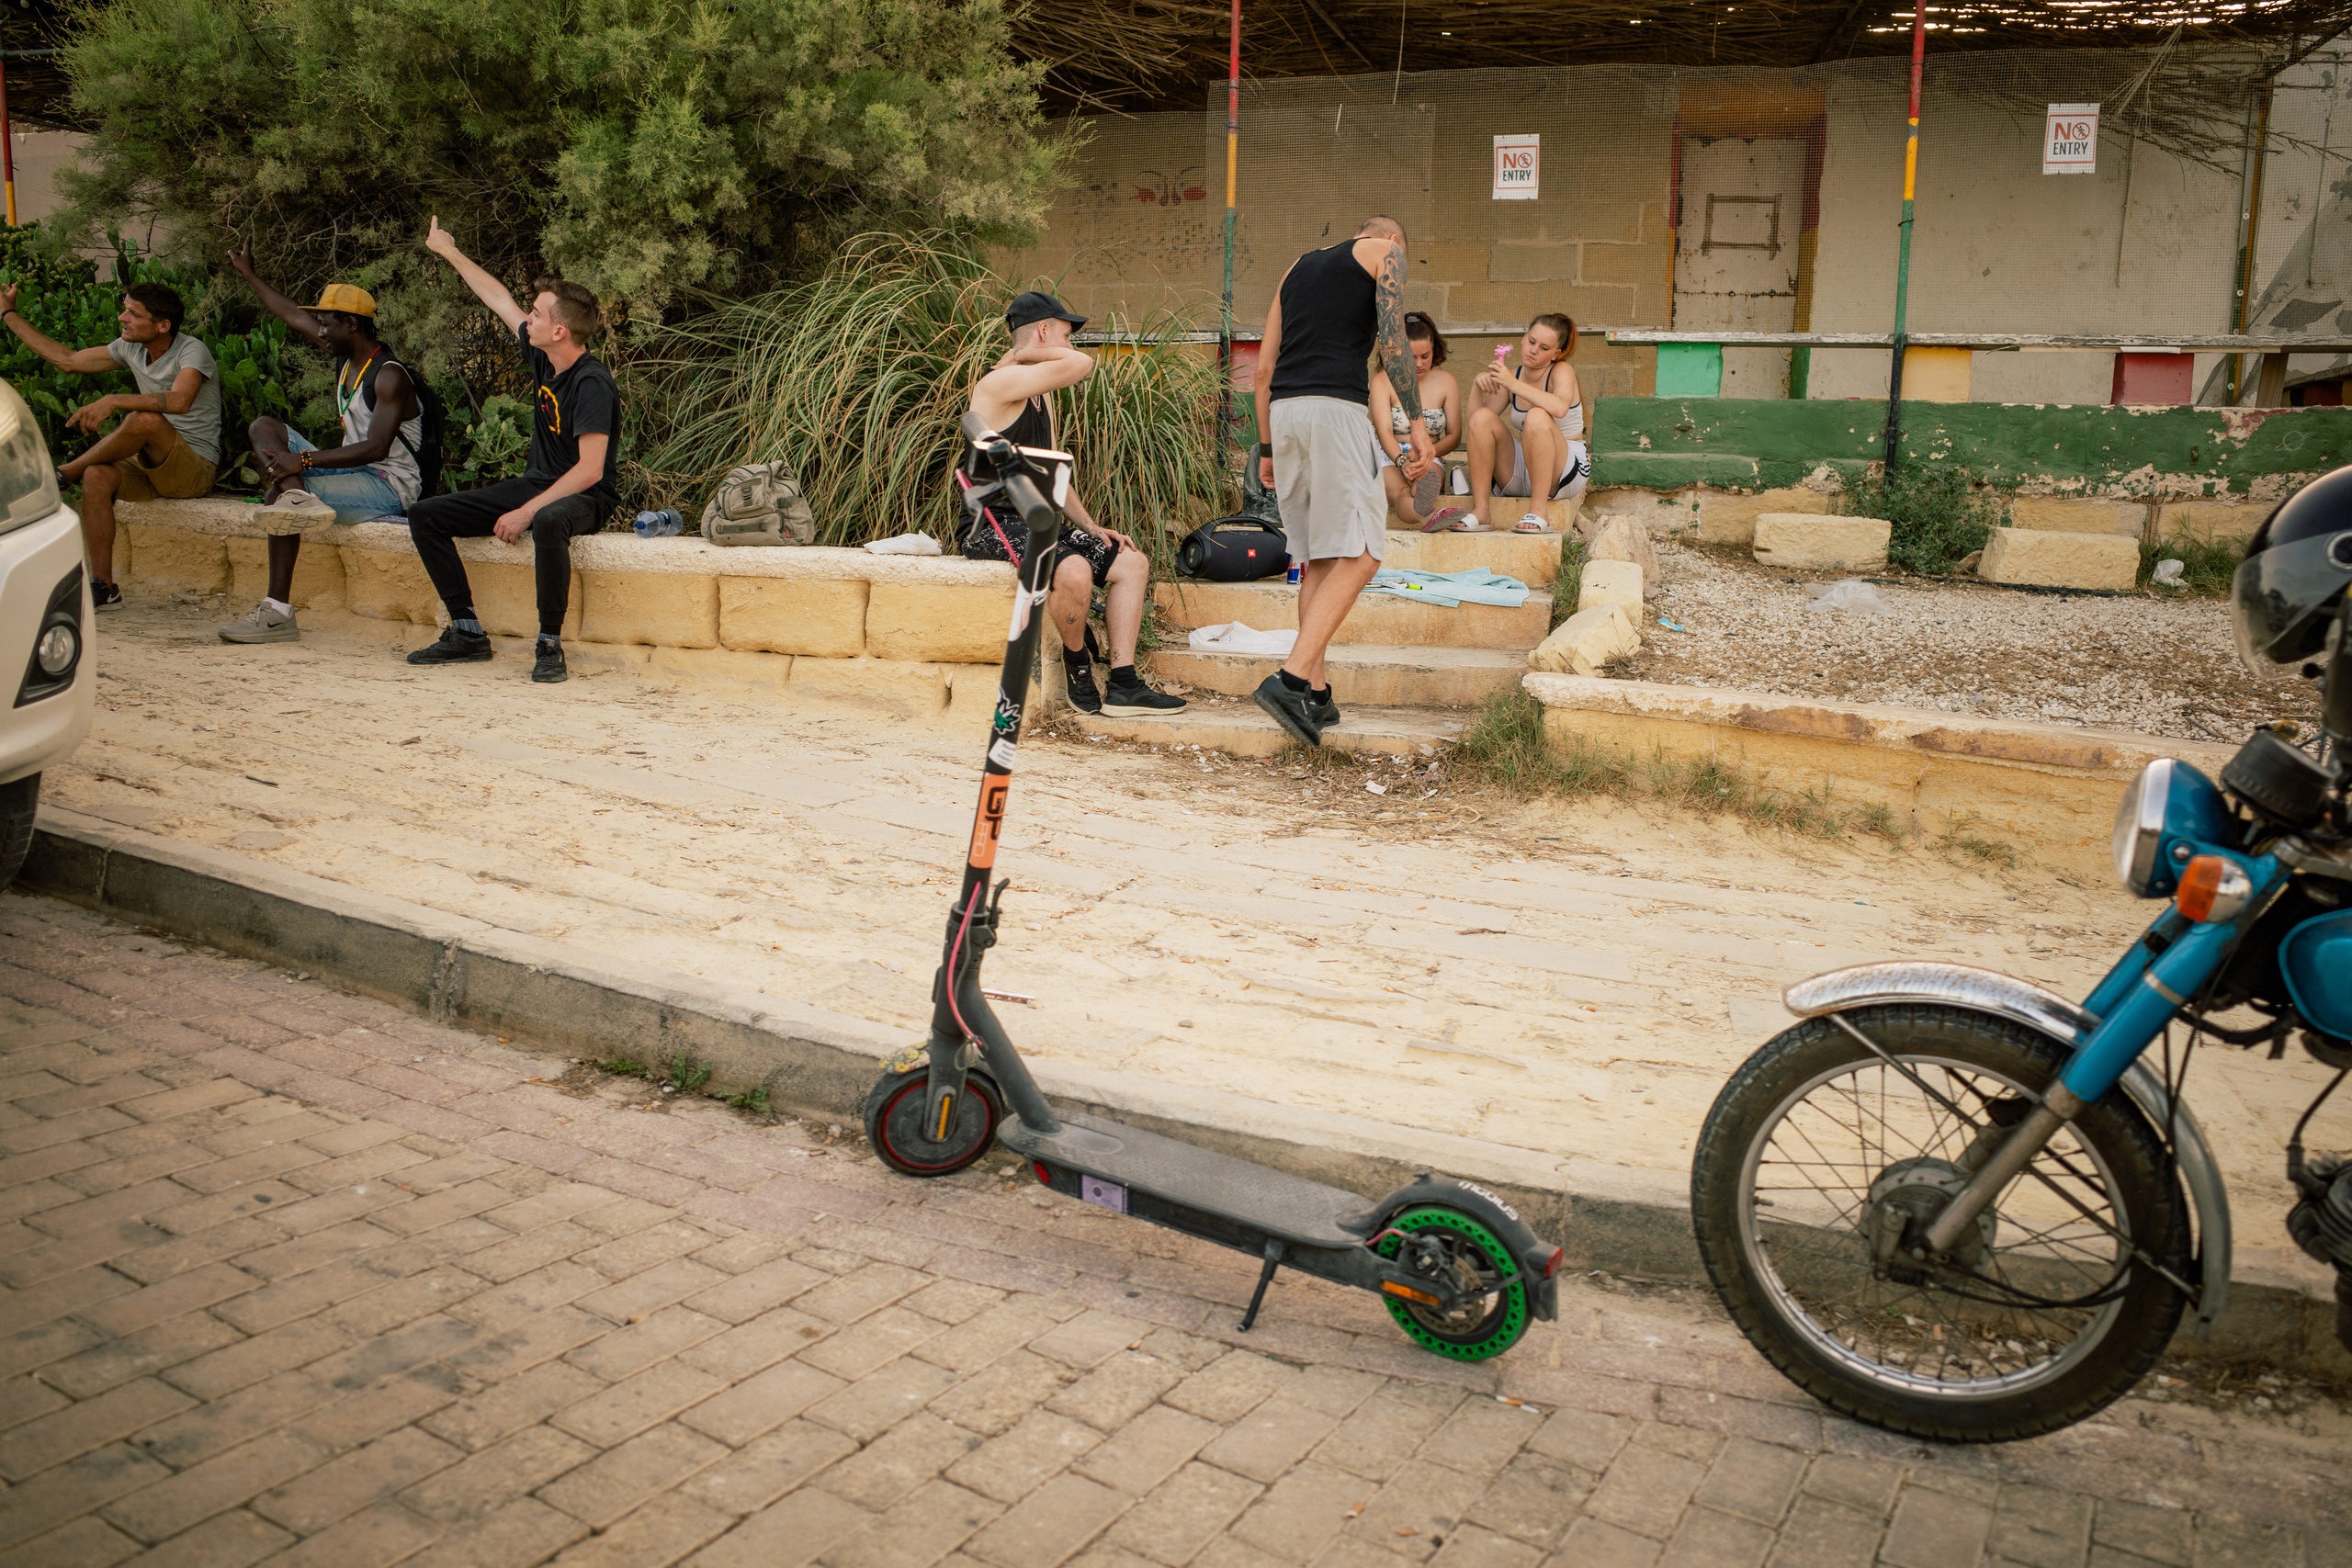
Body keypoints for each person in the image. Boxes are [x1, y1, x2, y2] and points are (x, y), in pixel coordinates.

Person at [403, 217, 619, 684]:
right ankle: (466, 631)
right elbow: (497, 297)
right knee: (426, 516)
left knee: (547, 519)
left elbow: (590, 470)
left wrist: (524, 512)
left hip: (587, 496)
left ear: (560, 331)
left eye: (538, 314)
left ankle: (549, 643)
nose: (529, 318)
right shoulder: (543, 355)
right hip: (537, 484)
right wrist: (449, 251)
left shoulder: (592, 383)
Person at [962, 290, 1185, 718]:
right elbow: (1081, 364)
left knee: (1131, 564)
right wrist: (1025, 356)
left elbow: (1052, 472)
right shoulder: (999, 383)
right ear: (1043, 330)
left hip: (1039, 518)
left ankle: (1124, 683)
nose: (1072, 345)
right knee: (1076, 569)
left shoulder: (1039, 393)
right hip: (991, 523)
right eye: (1066, 334)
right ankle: (1078, 661)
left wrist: (1091, 526)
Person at [1251, 215, 1430, 747]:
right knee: (1365, 553)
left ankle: (1316, 695)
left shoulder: (1295, 269)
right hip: (1336, 411)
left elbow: (1262, 369)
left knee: (1321, 559)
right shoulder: (1386, 254)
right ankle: (1287, 682)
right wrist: (1417, 424)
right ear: (1389, 240)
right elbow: (1394, 341)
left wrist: (1265, 447)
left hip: (1285, 414)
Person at [215, 245, 425, 645]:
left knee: (274, 497)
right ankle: (297, 497)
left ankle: (277, 613)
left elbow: (377, 448)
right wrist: (247, 273)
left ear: (352, 324)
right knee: (263, 425)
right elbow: (293, 315)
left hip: (388, 482)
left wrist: (305, 459)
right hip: (351, 469)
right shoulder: (346, 356)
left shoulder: (388, 376)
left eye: (327, 325)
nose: (320, 332)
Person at [0, 279, 221, 608]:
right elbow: (68, 360)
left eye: (133, 313)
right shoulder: (130, 347)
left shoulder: (191, 350)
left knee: (143, 420)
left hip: (193, 469)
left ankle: (62, 475)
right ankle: (103, 586)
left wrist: (114, 400)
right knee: (97, 477)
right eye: (124, 308)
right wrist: (7, 313)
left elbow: (180, 401)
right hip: (149, 465)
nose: (122, 318)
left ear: (163, 326)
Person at [1460, 312, 1590, 534]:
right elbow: (1476, 425)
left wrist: (1512, 384)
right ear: (1523, 338)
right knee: (1483, 419)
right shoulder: (1513, 376)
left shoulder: (1562, 370)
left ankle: (1540, 511)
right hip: (1527, 468)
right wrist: (1476, 386)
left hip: (1564, 470)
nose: (1534, 350)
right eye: (1531, 342)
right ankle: (1481, 510)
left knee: (1537, 416)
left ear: (1555, 354)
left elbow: (1559, 408)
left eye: (1544, 348)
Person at [1368, 311, 1463, 530]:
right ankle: (1427, 517)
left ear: (1434, 350)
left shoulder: (1447, 381)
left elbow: (1455, 436)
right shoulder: (1382, 381)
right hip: (1388, 455)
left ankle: (1425, 493)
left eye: (1425, 356)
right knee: (1401, 491)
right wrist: (1402, 461)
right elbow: (1383, 432)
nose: (1419, 363)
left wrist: (1427, 452)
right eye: (1411, 357)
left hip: (1430, 453)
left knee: (1424, 481)